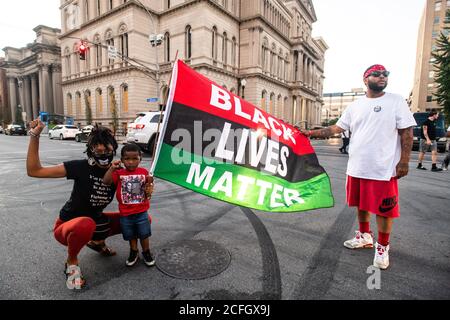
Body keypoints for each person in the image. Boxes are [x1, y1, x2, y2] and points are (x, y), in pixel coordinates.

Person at [302, 64, 416, 270]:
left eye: (385, 74)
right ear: (365, 79)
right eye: (376, 74)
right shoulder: (355, 106)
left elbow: (407, 132)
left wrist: (405, 161)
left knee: (384, 209)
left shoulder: (396, 101)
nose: (382, 77)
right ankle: (365, 236)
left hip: (383, 167)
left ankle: (382, 247)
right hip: (357, 166)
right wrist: (310, 133)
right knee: (361, 203)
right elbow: (336, 128)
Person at [26, 119, 153, 289]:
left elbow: (135, 196)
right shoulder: (79, 167)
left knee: (144, 220)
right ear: (91, 150)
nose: (103, 154)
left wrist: (148, 188)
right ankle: (71, 262)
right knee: (86, 224)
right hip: (68, 226)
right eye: (97, 150)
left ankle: (97, 242)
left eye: (107, 150)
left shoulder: (119, 174)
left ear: (114, 150)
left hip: (96, 221)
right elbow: (35, 171)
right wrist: (35, 136)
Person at [103, 143, 156, 267]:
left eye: (134, 159)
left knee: (144, 234)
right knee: (130, 235)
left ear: (140, 159)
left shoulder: (144, 172)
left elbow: (148, 190)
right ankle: (134, 251)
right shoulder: (119, 173)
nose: (131, 162)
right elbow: (106, 181)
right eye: (127, 159)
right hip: (125, 213)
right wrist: (111, 168)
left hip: (141, 212)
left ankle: (146, 252)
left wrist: (150, 187)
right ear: (122, 160)